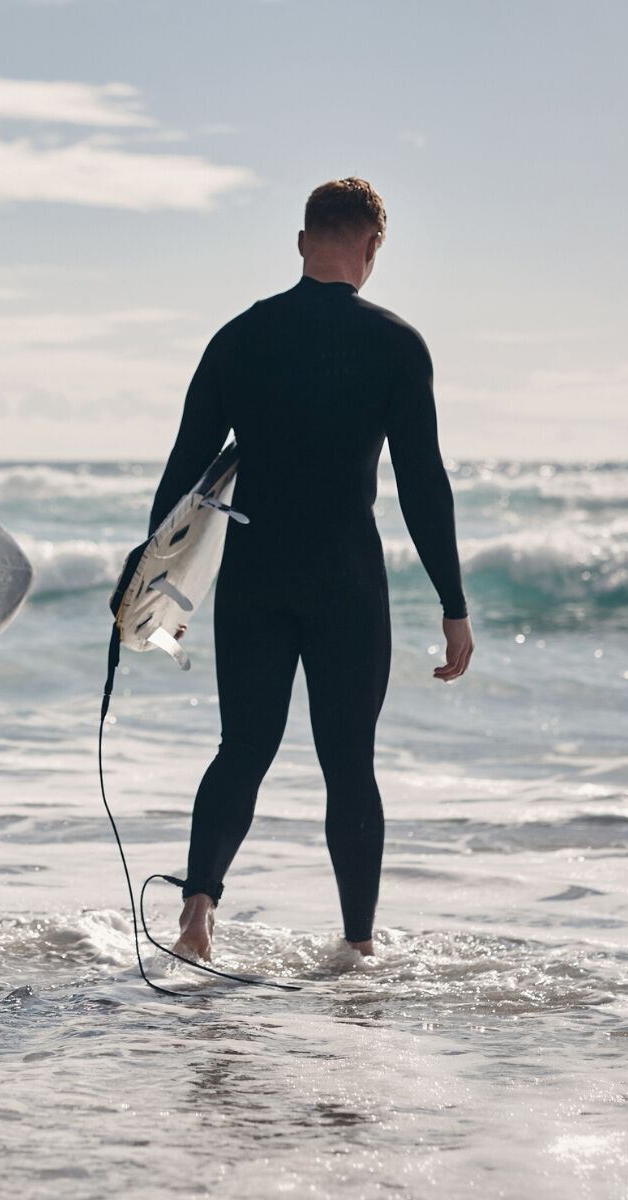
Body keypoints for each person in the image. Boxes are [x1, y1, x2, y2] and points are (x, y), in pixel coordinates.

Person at [142, 178, 472, 962]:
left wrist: (157, 590)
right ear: (372, 247)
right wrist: (452, 601)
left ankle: (196, 914)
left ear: (301, 242)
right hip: (346, 579)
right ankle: (357, 948)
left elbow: (184, 473)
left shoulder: (239, 337)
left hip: (255, 575)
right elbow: (423, 484)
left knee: (242, 748)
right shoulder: (395, 343)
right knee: (349, 764)